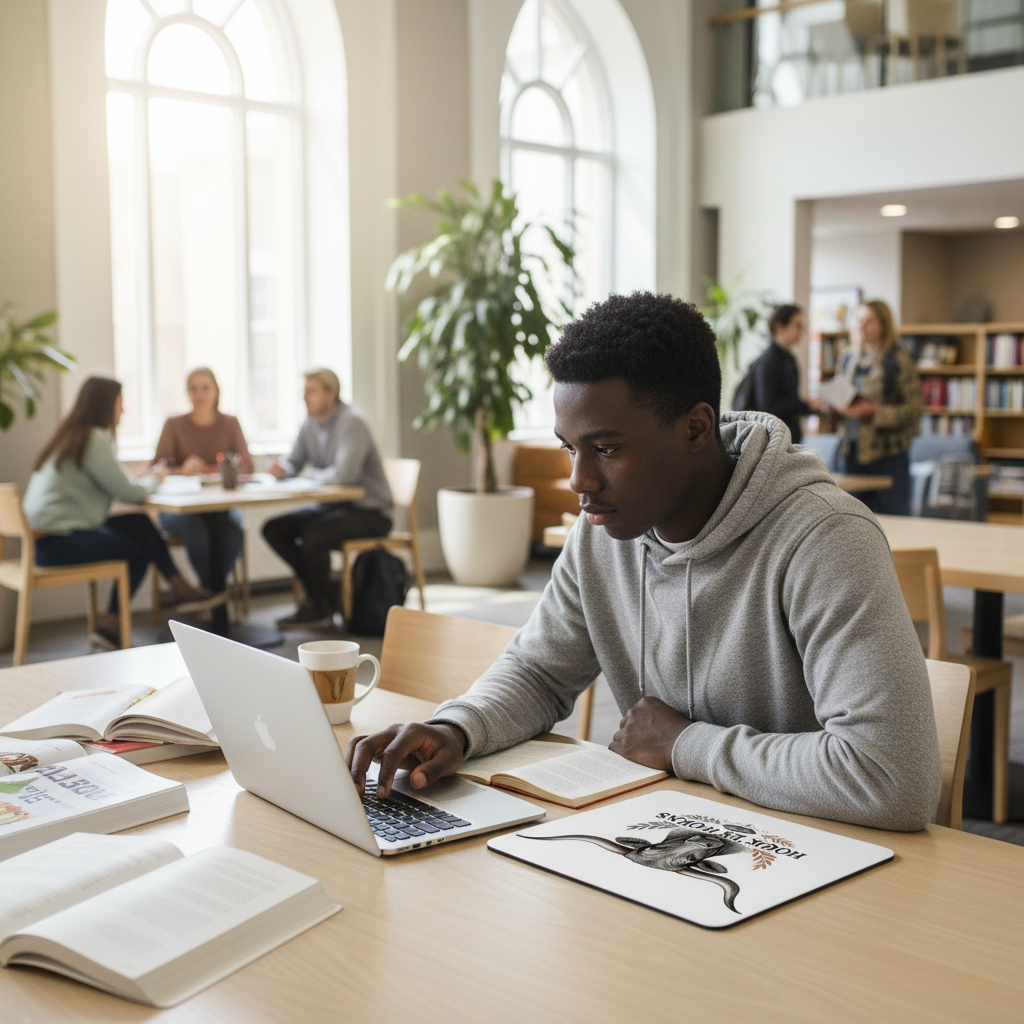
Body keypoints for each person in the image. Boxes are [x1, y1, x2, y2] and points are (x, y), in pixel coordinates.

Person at [346, 292, 942, 832]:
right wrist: (459, 727)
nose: (579, 481)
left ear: (695, 429)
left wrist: (687, 744)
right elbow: (539, 671)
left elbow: (892, 778)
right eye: (569, 449)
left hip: (810, 859)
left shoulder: (825, 539)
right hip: (666, 837)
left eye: (605, 449)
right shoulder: (602, 531)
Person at [24, 376, 209, 649]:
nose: (123, 411)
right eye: (120, 404)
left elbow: (120, 484)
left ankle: (180, 588)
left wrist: (147, 478)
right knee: (138, 550)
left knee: (138, 523)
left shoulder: (72, 435)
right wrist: (156, 478)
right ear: (106, 406)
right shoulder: (93, 438)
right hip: (56, 543)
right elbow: (130, 492)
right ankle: (114, 622)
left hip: (48, 539)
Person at [263, 369, 393, 629]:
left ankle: (318, 605)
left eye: (311, 391)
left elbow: (345, 475)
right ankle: (324, 592)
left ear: (331, 394)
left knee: (314, 536)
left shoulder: (351, 422)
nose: (304, 398)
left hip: (371, 512)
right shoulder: (310, 422)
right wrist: (284, 469)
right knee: (275, 528)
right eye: (304, 392)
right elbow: (295, 461)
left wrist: (310, 475)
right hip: (335, 506)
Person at [152, 367, 253, 593]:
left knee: (234, 527)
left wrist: (222, 470)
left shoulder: (230, 423)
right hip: (180, 509)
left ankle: (211, 593)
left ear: (216, 391)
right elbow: (156, 468)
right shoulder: (174, 425)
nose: (199, 395)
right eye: (193, 389)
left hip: (219, 506)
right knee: (196, 529)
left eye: (205, 388)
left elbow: (248, 466)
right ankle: (214, 594)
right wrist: (181, 470)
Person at [828, 300, 921, 516]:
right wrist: (833, 405)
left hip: (887, 455)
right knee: (852, 523)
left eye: (869, 321)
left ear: (883, 325)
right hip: (851, 454)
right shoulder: (847, 358)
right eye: (859, 320)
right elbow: (843, 395)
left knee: (892, 523)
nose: (862, 326)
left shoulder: (898, 360)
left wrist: (875, 413)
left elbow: (914, 409)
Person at [750, 304, 816, 443]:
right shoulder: (768, 361)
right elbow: (768, 407)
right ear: (779, 327)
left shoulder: (789, 359)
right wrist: (805, 406)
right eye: (797, 325)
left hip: (788, 437)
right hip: (774, 441)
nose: (802, 330)